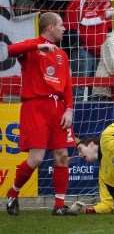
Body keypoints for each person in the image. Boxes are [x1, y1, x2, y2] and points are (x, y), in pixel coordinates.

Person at [2, 12, 75, 216]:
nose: (64, 28)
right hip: (35, 107)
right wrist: (37, 46)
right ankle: (13, 193)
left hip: (58, 108)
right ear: (50, 27)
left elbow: (68, 85)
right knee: (36, 158)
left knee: (62, 156)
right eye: (60, 25)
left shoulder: (62, 54)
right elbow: (9, 50)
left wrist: (69, 108)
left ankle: (59, 206)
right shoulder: (32, 46)